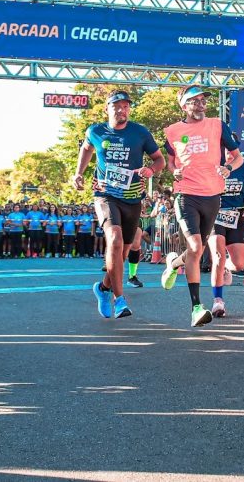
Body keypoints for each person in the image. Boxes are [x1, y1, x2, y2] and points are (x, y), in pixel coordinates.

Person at [73, 91, 164, 319]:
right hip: (105, 194)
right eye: (116, 106)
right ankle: (119, 299)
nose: (121, 110)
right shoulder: (95, 131)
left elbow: (159, 159)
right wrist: (79, 173)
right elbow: (86, 149)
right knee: (113, 238)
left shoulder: (140, 132)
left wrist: (151, 170)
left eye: (125, 106)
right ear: (107, 109)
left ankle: (103, 288)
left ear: (129, 110)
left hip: (132, 196)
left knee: (122, 252)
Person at [160, 85, 244, 327]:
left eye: (202, 101)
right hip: (187, 195)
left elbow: (238, 156)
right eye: (194, 101)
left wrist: (228, 168)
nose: (200, 105)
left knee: (196, 252)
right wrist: (173, 171)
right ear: (184, 106)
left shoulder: (218, 125)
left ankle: (175, 263)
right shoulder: (173, 131)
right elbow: (170, 160)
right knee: (196, 246)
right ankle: (196, 307)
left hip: (213, 196)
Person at [207, 142, 244, 317]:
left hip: (236, 217)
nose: (229, 153)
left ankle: (224, 268)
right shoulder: (213, 166)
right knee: (219, 257)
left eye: (232, 150)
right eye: (226, 150)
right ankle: (218, 301)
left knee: (239, 264)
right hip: (216, 216)